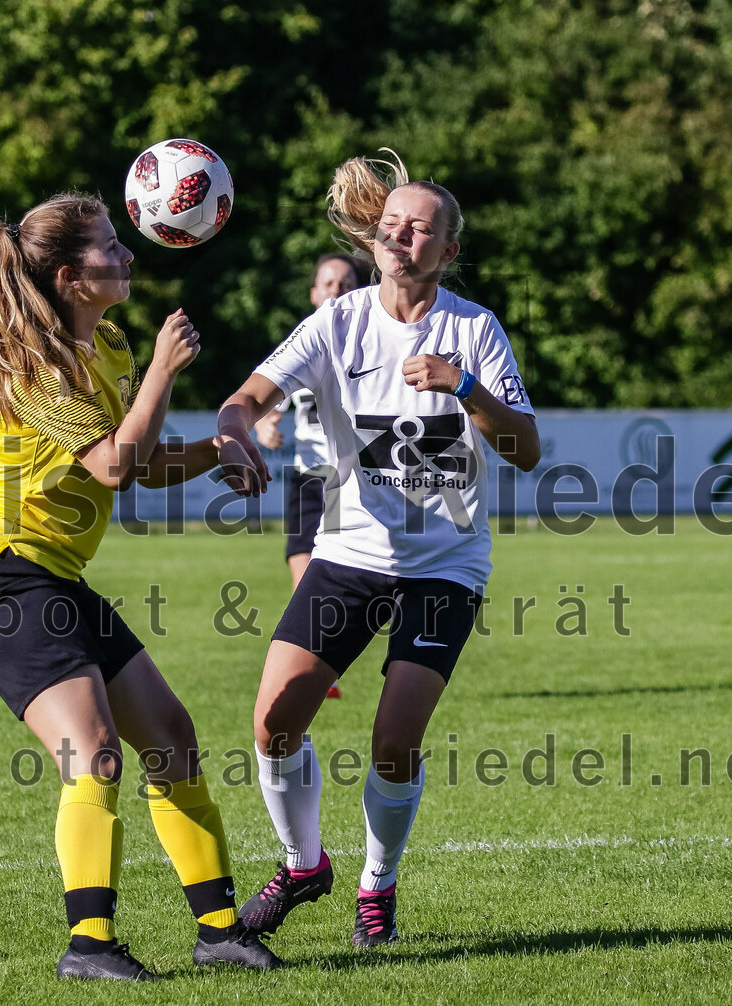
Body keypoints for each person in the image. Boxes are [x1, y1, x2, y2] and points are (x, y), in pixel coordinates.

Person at [0, 192, 281, 981]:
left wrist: (216, 450)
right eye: (107, 248)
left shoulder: (111, 344)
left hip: (57, 578)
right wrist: (164, 373)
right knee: (94, 755)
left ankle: (220, 932)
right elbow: (110, 464)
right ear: (69, 277)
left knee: (171, 736)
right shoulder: (30, 367)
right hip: (3, 583)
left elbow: (139, 462)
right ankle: (89, 947)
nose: (126, 254)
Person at [216, 152, 540, 947]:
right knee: (273, 722)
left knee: (394, 741)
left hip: (444, 566)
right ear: (376, 239)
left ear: (447, 251)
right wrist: (231, 429)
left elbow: (527, 449)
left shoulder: (475, 329)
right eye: (392, 224)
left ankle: (377, 886)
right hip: (350, 554)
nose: (403, 237)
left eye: (422, 228)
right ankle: (302, 865)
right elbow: (249, 395)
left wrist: (464, 388)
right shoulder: (339, 321)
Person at [253, 253, 371, 699]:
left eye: (344, 284)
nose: (335, 292)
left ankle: (329, 656)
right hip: (308, 475)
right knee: (302, 563)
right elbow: (268, 402)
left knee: (354, 571)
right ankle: (321, 665)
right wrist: (265, 426)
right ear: (312, 293)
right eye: (327, 284)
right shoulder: (303, 342)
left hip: (354, 478)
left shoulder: (368, 341)